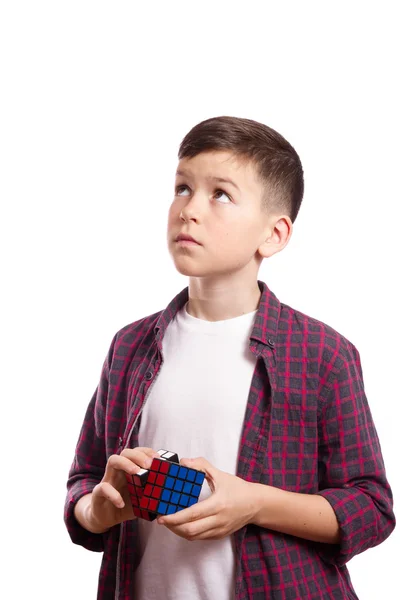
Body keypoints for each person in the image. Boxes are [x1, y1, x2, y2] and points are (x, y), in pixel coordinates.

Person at [64, 116, 396, 600]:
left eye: (220, 194)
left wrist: (256, 503)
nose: (189, 209)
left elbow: (372, 508)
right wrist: (97, 509)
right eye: (182, 187)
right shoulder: (128, 347)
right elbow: (84, 481)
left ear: (274, 235)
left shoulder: (324, 354)